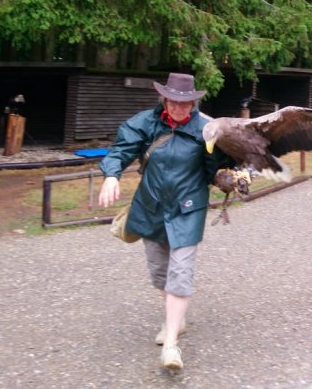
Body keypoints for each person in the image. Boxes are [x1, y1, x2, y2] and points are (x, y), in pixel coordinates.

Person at [97, 73, 235, 371]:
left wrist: (228, 176)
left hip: (188, 210)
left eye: (185, 103)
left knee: (180, 274)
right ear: (164, 99)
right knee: (160, 275)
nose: (178, 107)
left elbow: (218, 167)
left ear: (193, 103)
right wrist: (111, 175)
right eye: (173, 101)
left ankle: (171, 345)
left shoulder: (207, 130)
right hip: (151, 208)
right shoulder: (145, 123)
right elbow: (121, 150)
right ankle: (178, 318)